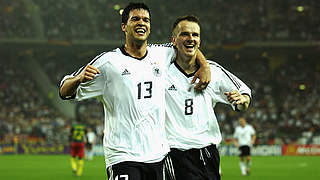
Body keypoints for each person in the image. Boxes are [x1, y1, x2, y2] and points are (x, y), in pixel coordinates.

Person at [59, 3, 210, 180]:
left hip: (157, 156)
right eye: (135, 19)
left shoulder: (161, 54)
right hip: (123, 156)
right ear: (124, 26)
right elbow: (64, 91)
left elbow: (186, 44)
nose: (141, 23)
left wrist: (205, 65)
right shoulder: (109, 62)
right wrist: (78, 79)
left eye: (146, 20)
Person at [164, 15, 252, 180]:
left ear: (200, 41)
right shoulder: (161, 71)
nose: (191, 39)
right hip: (176, 152)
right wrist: (203, 63)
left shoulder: (214, 71)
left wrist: (242, 101)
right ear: (173, 41)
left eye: (195, 35)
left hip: (209, 153)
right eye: (185, 34)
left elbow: (244, 93)